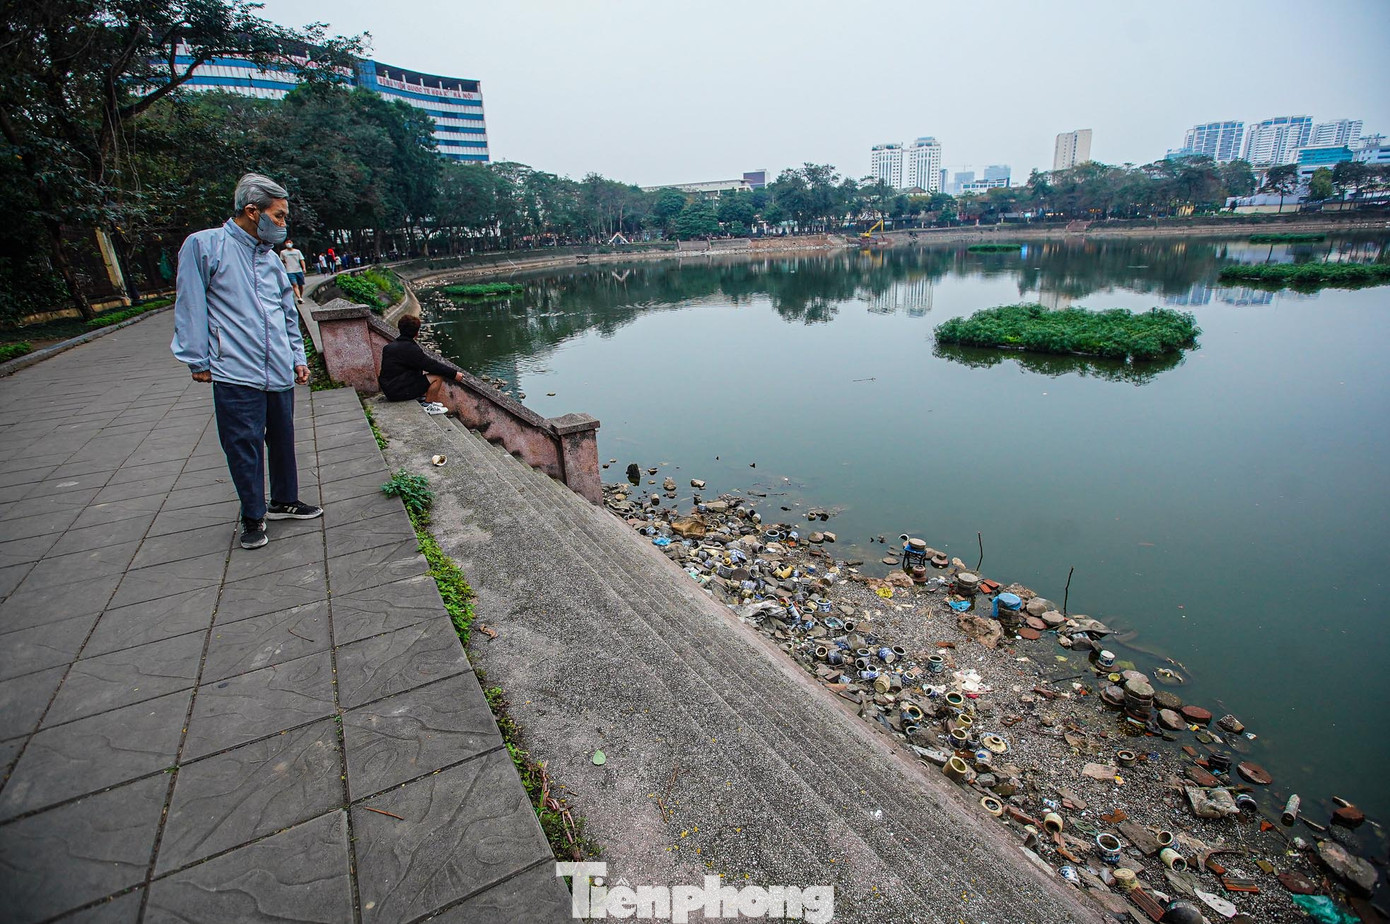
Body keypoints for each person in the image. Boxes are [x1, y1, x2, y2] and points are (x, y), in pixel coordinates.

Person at [171, 172, 323, 550]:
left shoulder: (270, 260)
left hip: (277, 367)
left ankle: (284, 499)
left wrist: (297, 356)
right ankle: (253, 515)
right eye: (279, 216)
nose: (282, 224)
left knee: (283, 437)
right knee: (244, 443)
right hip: (234, 368)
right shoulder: (205, 246)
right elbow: (190, 303)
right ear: (253, 212)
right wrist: (197, 358)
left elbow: (287, 312)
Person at [378, 314, 464, 413]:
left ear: (400, 329)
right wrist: (454, 374)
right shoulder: (411, 349)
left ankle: (424, 400)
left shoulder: (389, 347)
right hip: (398, 392)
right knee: (437, 376)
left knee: (419, 374)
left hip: (389, 389)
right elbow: (432, 366)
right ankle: (428, 406)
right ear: (416, 333)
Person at [279, 239, 306, 303]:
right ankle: (299, 297)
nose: (289, 243)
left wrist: (304, 268)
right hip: (289, 271)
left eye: (290, 242)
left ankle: (301, 296)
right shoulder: (283, 252)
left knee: (301, 285)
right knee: (294, 284)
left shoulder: (297, 251)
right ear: (285, 244)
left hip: (298, 270)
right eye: (287, 242)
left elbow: (301, 260)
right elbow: (282, 261)